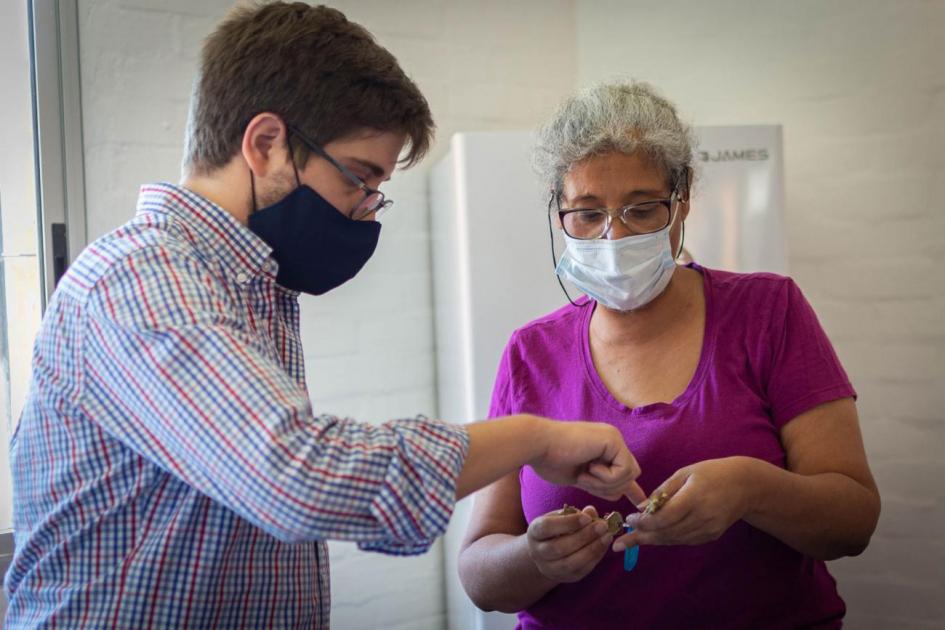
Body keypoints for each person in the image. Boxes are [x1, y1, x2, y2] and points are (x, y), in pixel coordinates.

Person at [3, 5, 646, 627]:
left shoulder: (252, 289)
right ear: (266, 143)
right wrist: (535, 438)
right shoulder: (143, 281)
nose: (367, 211)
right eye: (359, 180)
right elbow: (300, 475)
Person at [458, 81, 881, 629]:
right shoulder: (531, 352)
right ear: (558, 212)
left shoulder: (767, 312)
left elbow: (853, 523)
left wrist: (751, 488)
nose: (613, 237)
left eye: (641, 209)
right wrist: (535, 558)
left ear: (681, 203)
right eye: (586, 213)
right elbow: (479, 575)